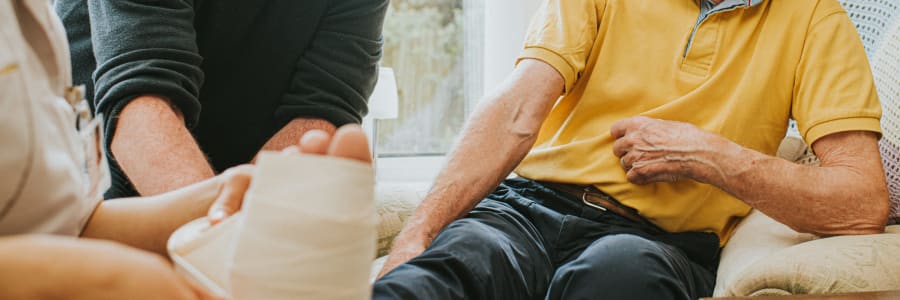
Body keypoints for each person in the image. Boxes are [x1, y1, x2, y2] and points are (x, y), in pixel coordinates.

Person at [373, 0, 890, 299]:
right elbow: (515, 111)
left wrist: (711, 156)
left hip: (658, 242)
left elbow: (862, 202)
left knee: (618, 276)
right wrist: (415, 235)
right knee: (454, 266)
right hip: (525, 210)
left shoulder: (817, 19)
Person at [0, 0, 372, 298]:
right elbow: (141, 97)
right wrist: (119, 276)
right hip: (130, 189)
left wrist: (227, 209)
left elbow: (64, 223)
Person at [53, 0, 388, 198]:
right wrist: (215, 234)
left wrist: (244, 228)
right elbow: (140, 102)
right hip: (103, 193)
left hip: (240, 202)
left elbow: (324, 107)